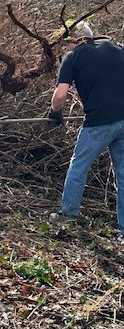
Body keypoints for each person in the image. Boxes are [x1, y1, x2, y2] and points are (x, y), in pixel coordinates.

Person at [48, 20, 124, 236]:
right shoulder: (117, 48)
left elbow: (60, 96)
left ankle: (67, 216)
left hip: (99, 123)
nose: (65, 48)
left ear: (76, 40)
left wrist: (55, 113)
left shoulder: (73, 57)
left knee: (78, 167)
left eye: (66, 43)